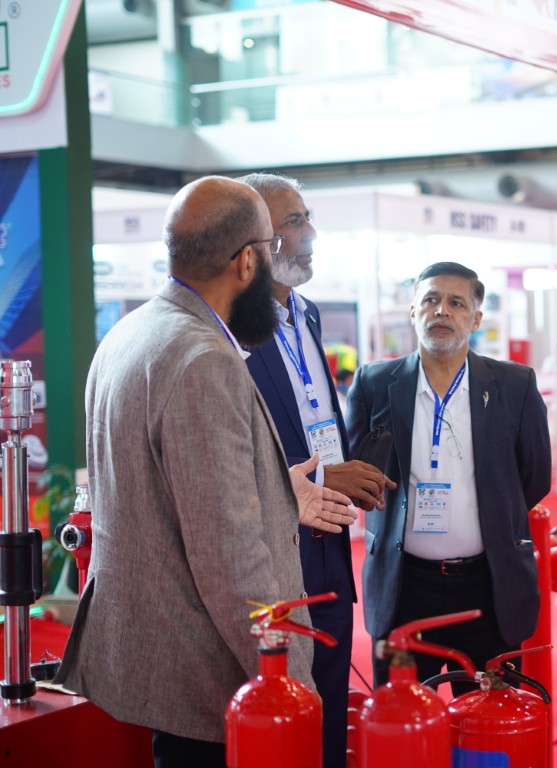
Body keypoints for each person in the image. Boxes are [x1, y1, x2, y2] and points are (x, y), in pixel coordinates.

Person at [55, 176, 357, 768]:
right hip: (213, 678)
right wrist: (291, 683)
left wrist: (277, 490)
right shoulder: (204, 361)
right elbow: (229, 555)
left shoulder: (130, 332)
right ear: (247, 262)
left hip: (163, 657)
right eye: (270, 247)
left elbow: (171, 490)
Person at [238, 172, 391, 768]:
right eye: (295, 221)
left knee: (327, 707)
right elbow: (232, 450)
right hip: (271, 549)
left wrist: (344, 472)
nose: (311, 233)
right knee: (281, 718)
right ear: (258, 239)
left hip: (329, 541)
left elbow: (312, 416)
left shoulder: (306, 314)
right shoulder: (228, 325)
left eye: (308, 218)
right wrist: (324, 478)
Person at [345, 261, 551, 686]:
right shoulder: (373, 383)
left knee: (486, 722)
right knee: (401, 721)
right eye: (431, 300)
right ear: (413, 312)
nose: (442, 311)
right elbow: (353, 470)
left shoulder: (514, 385)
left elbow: (534, 477)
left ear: (475, 319)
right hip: (403, 588)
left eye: (457, 303)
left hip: (488, 587)